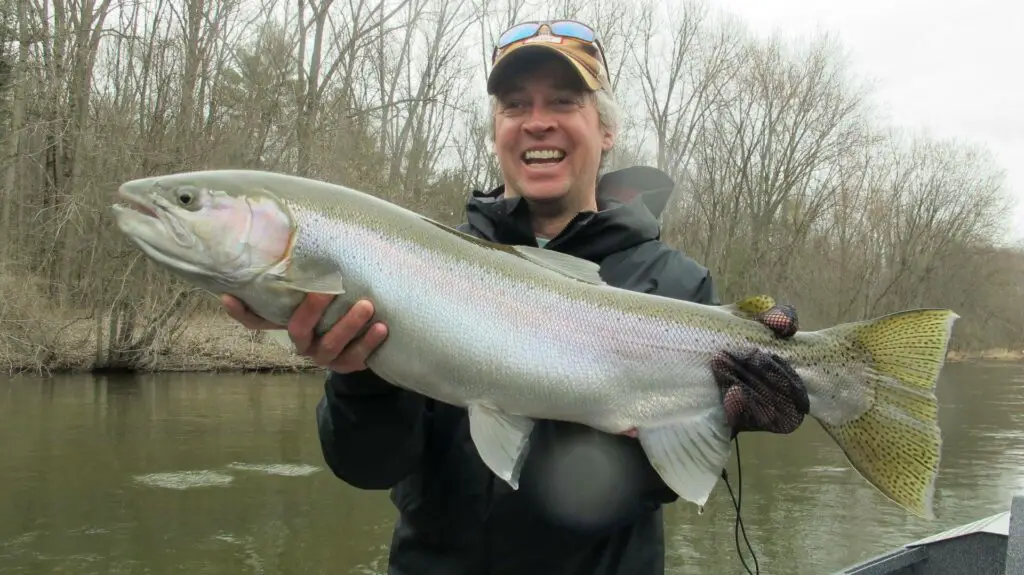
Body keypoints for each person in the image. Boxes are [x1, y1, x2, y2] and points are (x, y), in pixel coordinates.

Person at [222, 20, 810, 575]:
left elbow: (652, 487)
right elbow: (369, 467)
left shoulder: (678, 287)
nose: (537, 122)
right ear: (497, 132)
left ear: (606, 131)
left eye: (563, 101)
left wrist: (723, 418)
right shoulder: (414, 266)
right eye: (515, 105)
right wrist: (357, 372)